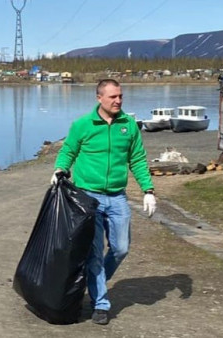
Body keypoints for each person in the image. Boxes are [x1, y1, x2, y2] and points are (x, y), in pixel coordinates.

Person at [51, 79, 156, 325]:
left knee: (121, 249)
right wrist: (60, 169)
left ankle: (92, 281)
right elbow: (68, 151)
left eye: (120, 96)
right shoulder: (83, 125)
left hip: (118, 196)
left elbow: (138, 159)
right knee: (95, 254)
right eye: (113, 97)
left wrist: (148, 190)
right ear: (99, 98)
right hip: (88, 199)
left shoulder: (128, 125)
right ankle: (101, 303)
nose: (118, 101)